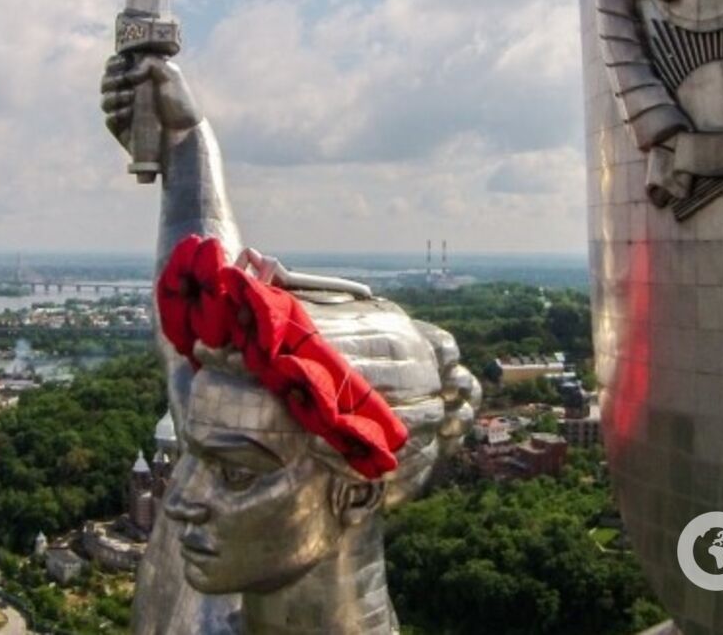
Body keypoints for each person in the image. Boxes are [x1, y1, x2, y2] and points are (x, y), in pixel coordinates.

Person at [102, 56, 478, 634]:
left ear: (352, 495)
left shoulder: (213, 578)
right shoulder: (223, 571)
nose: (179, 504)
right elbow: (191, 306)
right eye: (194, 456)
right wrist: (185, 140)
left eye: (234, 475)